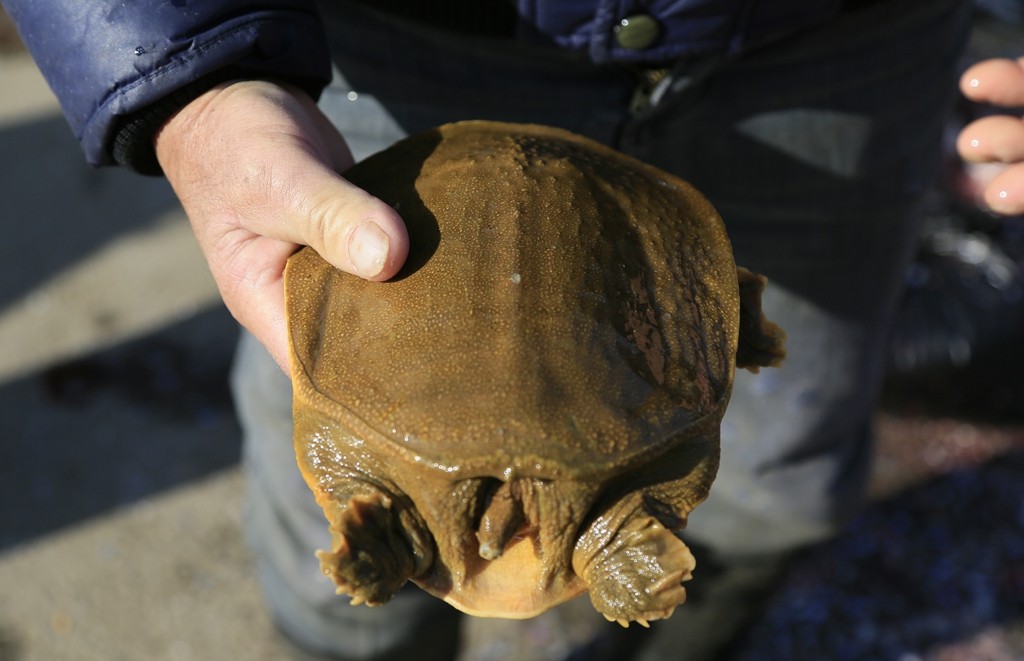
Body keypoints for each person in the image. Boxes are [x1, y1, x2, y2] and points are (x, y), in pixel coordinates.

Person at [4, 1, 1023, 659]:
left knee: (786, 460)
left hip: (835, 41)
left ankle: (700, 607)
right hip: (401, 41)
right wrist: (189, 79)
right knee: (330, 543)